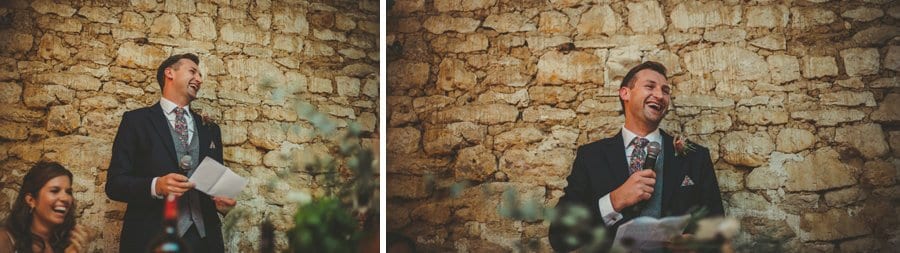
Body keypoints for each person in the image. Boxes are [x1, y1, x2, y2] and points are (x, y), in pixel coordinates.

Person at [548, 61, 724, 252]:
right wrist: (615, 200)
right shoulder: (591, 157)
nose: (660, 95)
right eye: (650, 86)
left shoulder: (695, 157)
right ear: (625, 93)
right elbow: (559, 236)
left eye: (665, 91)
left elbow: (718, 229)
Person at [106, 53, 236, 253]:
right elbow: (115, 184)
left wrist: (224, 203)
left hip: (204, 241)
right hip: (151, 238)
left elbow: (216, 184)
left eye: (200, 75)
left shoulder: (210, 129)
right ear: (170, 73)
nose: (199, 79)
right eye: (193, 71)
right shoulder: (136, 121)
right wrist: (156, 185)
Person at [0, 161, 90, 253]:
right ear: (31, 200)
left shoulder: (66, 243)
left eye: (68, 192)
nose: (65, 198)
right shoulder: (5, 240)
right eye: (54, 191)